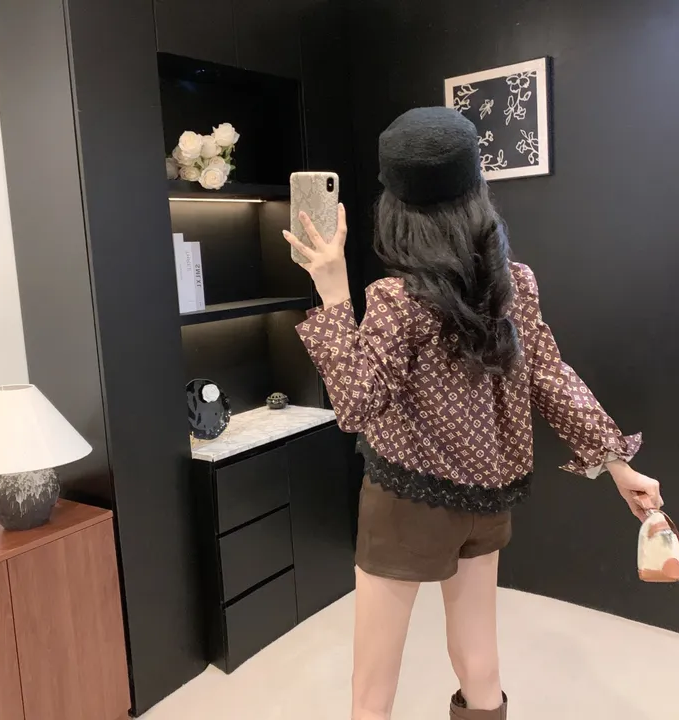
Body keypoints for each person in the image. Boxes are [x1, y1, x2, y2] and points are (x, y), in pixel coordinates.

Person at [283, 106, 663, 720]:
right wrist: (618, 463)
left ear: (393, 206)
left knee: (372, 684)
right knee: (479, 659)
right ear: (477, 190)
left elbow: (355, 404)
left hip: (405, 498)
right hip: (486, 501)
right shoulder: (514, 283)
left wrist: (331, 288)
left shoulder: (395, 298)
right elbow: (550, 376)